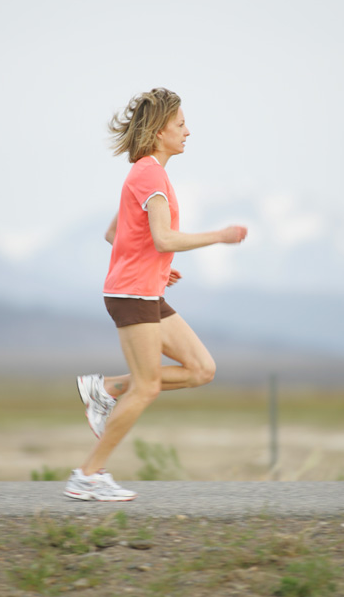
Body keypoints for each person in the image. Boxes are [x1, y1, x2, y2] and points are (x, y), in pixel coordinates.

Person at [64, 88, 248, 501]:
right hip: (133, 295)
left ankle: (106, 388)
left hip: (144, 291)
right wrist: (219, 236)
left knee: (201, 369)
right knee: (146, 387)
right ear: (159, 130)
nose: (188, 131)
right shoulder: (149, 174)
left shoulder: (147, 173)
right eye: (180, 124)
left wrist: (154, 266)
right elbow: (163, 238)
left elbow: (115, 233)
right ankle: (88, 475)